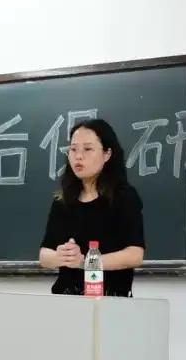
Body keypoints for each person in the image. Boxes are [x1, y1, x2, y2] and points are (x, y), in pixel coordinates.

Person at [38, 118, 145, 296]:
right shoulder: (63, 200)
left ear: (107, 154)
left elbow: (135, 255)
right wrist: (61, 257)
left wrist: (86, 262)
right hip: (66, 299)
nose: (78, 156)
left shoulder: (124, 197)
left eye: (87, 149)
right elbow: (44, 255)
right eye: (73, 149)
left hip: (111, 299)